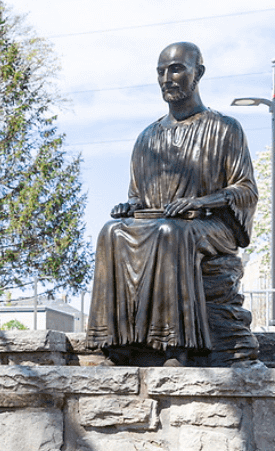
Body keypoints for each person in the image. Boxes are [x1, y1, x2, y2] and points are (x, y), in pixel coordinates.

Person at [86, 42, 260, 366]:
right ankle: (116, 343)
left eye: (176, 69)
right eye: (161, 72)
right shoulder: (147, 138)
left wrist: (202, 202)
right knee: (111, 233)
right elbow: (137, 195)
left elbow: (245, 189)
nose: (167, 78)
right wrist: (130, 207)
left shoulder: (225, 129)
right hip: (161, 222)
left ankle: (175, 346)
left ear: (198, 73)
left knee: (171, 233)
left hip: (211, 225)